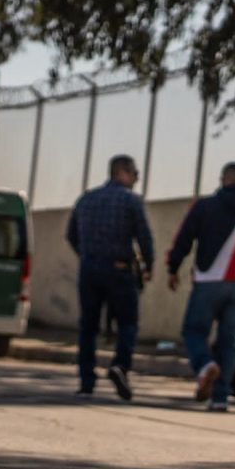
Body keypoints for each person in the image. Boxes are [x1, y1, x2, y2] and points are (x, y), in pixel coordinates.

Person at [165, 162, 235, 412]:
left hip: (209, 280)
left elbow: (184, 237)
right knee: (227, 340)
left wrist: (173, 267)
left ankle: (205, 366)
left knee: (194, 330)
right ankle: (220, 398)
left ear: (222, 179)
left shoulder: (204, 206)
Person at [66, 154, 154, 401]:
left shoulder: (86, 199)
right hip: (119, 269)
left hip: (89, 269)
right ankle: (120, 366)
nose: (136, 179)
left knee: (88, 326)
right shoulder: (131, 201)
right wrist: (148, 265)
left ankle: (86, 380)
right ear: (123, 172)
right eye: (135, 174)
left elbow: (71, 234)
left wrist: (87, 255)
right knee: (128, 323)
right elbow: (144, 237)